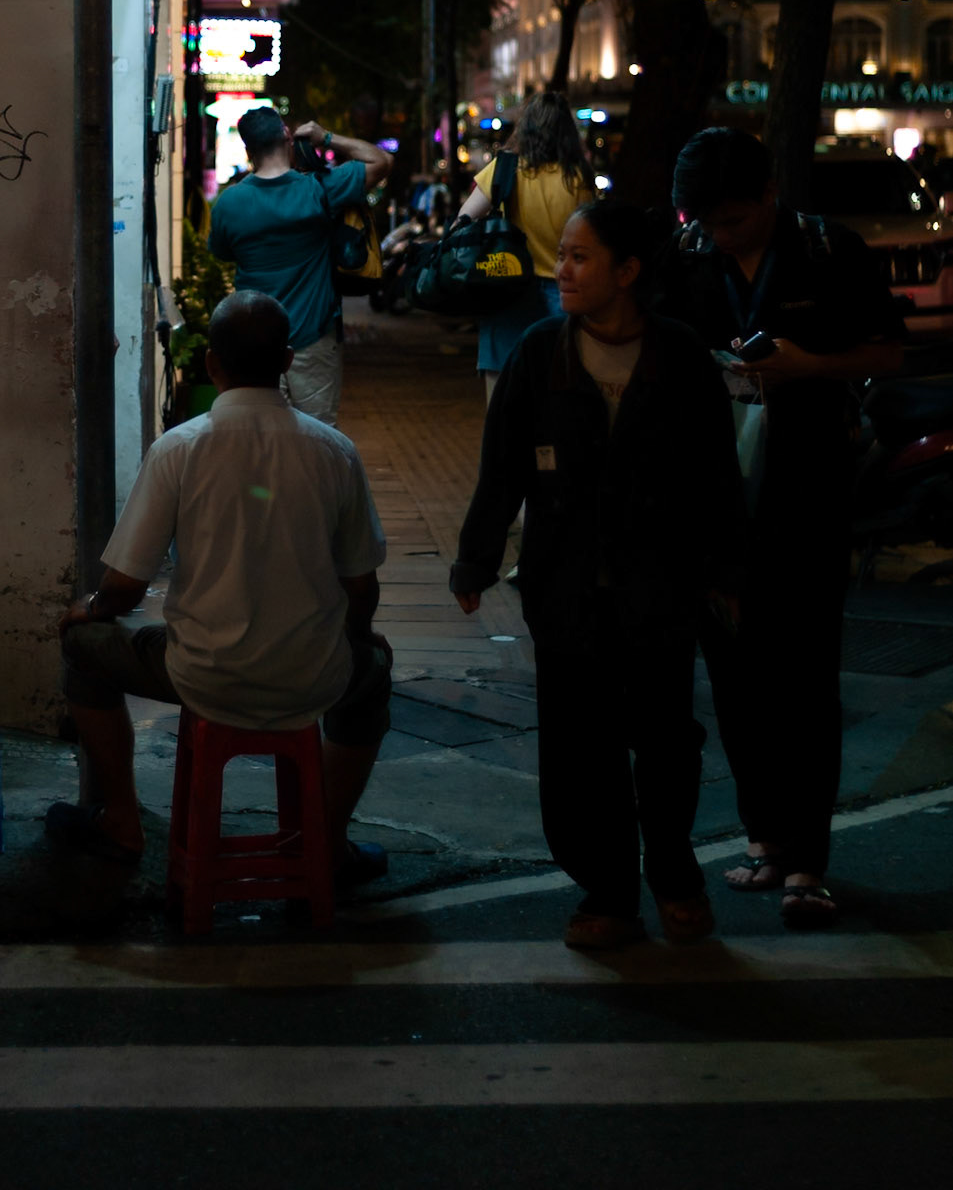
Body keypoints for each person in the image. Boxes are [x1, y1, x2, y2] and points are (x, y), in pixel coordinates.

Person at [451, 203, 744, 951]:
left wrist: (722, 571)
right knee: (581, 749)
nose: (563, 269)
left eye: (581, 257)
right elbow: (502, 467)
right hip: (566, 588)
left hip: (660, 588)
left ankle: (673, 869)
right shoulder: (539, 352)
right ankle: (608, 889)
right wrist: (476, 560)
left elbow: (715, 475)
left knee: (666, 739)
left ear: (628, 271)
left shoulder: (679, 357)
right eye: (565, 255)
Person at [48, 290, 392, 884]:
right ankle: (327, 843)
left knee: (84, 652)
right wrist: (351, 647)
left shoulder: (179, 448)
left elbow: (125, 587)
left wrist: (91, 608)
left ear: (211, 363)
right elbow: (361, 586)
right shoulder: (335, 451)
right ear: (287, 361)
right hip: (313, 675)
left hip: (200, 674)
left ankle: (122, 820)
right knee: (373, 674)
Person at [663, 127, 905, 929]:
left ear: (769, 196)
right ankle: (765, 839)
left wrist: (805, 367)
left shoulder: (828, 251)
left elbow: (886, 351)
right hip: (715, 496)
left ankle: (808, 861)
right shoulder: (688, 254)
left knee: (804, 680)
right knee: (734, 679)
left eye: (732, 220)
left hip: (805, 492)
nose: (718, 235)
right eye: (705, 221)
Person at [208, 107, 391, 425]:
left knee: (259, 435)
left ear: (249, 150)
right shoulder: (320, 189)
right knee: (317, 438)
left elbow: (222, 252)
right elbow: (380, 161)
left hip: (254, 341)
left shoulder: (228, 204)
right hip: (314, 337)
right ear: (288, 138)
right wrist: (326, 138)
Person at [456, 92, 591, 404]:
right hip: (562, 300)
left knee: (501, 404)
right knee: (555, 399)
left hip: (507, 293)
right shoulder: (577, 179)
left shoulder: (504, 170)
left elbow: (461, 223)